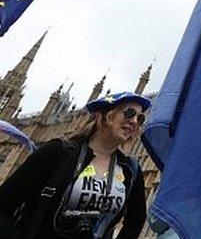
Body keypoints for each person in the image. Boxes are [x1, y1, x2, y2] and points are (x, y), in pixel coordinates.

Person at [0, 91, 149, 238]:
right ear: (103, 115)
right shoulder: (58, 152)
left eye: (140, 118)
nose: (135, 121)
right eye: (129, 113)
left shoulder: (130, 170)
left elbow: (136, 222)